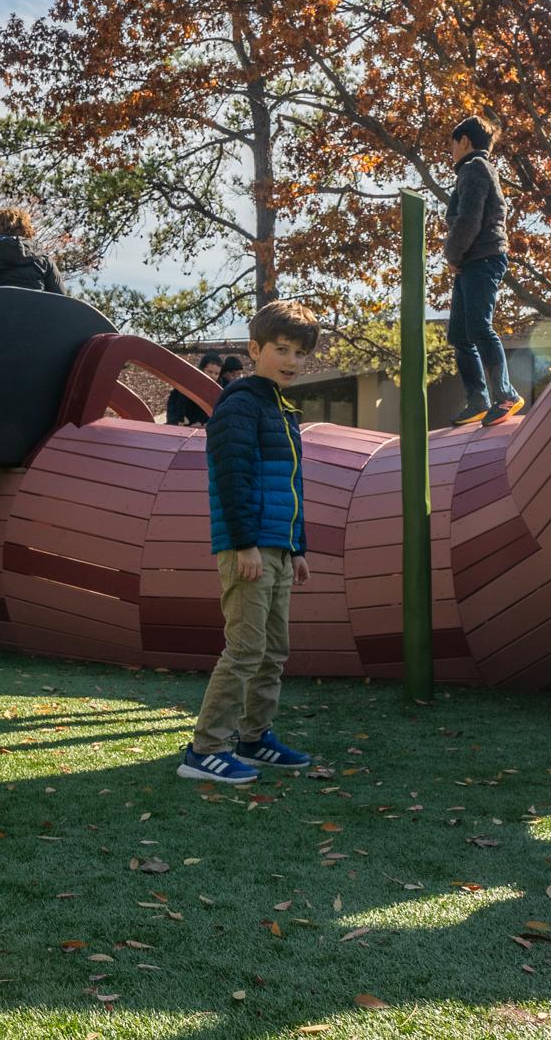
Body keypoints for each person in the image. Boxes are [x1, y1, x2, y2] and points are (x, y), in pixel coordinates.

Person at [180, 301, 322, 785]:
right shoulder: (239, 404)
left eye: (300, 353)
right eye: (281, 349)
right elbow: (232, 477)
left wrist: (297, 547)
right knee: (244, 649)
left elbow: (291, 485)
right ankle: (205, 749)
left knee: (273, 651)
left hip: (279, 549)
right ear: (255, 349)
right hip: (249, 548)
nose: (291, 360)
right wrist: (243, 545)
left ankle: (253, 737)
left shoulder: (283, 410)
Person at [443, 115, 524, 426]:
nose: (451, 152)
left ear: (465, 141)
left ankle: (505, 394)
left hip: (482, 257)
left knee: (478, 327)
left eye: (452, 145)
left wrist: (453, 253)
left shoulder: (474, 169)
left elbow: (469, 219)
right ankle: (477, 399)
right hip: (472, 259)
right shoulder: (478, 170)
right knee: (460, 334)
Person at [167, 351, 226, 428]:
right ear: (201, 370)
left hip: (199, 417)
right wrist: (180, 420)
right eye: (210, 372)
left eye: (216, 373)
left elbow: (213, 405)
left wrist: (205, 421)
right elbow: (181, 403)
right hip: (180, 411)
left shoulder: (218, 384)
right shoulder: (190, 380)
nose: (213, 376)